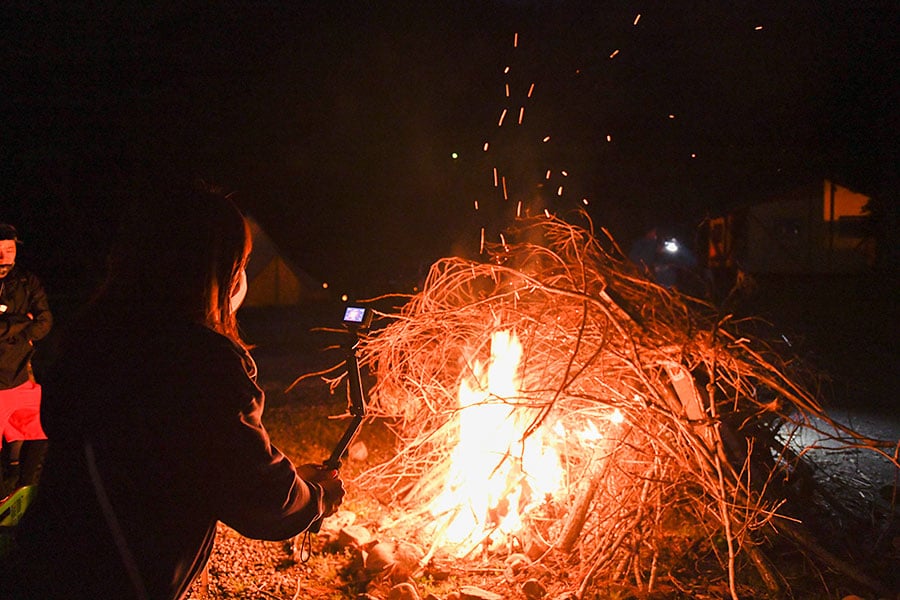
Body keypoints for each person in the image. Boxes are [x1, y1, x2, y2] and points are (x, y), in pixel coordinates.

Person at [0, 184, 345, 599]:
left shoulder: (95, 340)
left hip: (46, 565)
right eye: (242, 265)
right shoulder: (199, 364)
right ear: (218, 271)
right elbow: (261, 498)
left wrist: (298, 486)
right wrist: (317, 497)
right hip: (114, 584)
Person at [0, 224, 52, 496]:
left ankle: (24, 489)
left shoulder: (27, 282)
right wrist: (21, 323)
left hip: (19, 372)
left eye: (9, 250)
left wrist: (16, 332)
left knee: (35, 430)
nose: (4, 257)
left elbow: (44, 322)